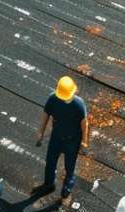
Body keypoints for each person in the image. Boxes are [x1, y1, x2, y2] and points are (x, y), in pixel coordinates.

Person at [34, 76, 89, 204]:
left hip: (72, 140)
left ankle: (66, 189)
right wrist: (40, 132)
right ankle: (49, 184)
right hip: (57, 136)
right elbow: (46, 115)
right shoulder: (53, 99)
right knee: (50, 162)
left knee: (69, 167)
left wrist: (84, 141)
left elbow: (84, 123)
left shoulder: (79, 104)